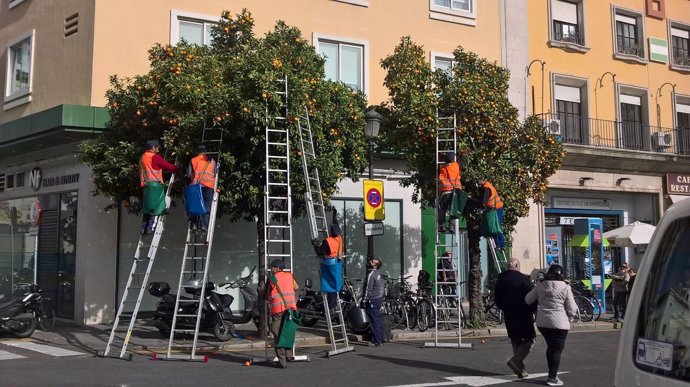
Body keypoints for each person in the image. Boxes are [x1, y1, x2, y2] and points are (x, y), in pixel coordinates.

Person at [525, 264, 577, 386]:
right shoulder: (565, 287)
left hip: (543, 322)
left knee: (551, 347)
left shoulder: (540, 285)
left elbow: (528, 299)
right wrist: (570, 318)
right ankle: (552, 377)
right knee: (556, 350)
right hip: (560, 323)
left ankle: (552, 374)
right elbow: (572, 308)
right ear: (561, 274)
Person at [495, 258, 537, 379]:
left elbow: (497, 300)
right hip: (523, 314)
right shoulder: (524, 279)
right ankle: (515, 361)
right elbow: (531, 297)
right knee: (531, 339)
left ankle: (521, 370)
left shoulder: (500, 280)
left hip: (509, 314)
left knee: (516, 340)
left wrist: (504, 307)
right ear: (517, 266)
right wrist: (532, 311)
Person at [139, 139, 178, 234]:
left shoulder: (142, 157)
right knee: (157, 208)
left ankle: (144, 228)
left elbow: (152, 168)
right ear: (153, 148)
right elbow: (167, 166)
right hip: (155, 185)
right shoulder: (154, 157)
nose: (158, 149)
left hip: (146, 185)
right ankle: (151, 228)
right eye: (157, 147)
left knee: (148, 208)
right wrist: (177, 168)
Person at [266, 259, 298, 369]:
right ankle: (289, 355)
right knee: (288, 332)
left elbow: (266, 294)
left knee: (277, 334)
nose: (271, 269)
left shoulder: (272, 278)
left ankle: (282, 362)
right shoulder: (290, 275)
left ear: (276, 268)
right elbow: (296, 288)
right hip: (291, 308)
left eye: (272, 267)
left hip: (278, 309)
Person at [313, 210, 343, 313]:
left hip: (329, 264)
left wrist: (315, 245)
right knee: (335, 284)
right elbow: (337, 226)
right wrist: (335, 216)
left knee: (328, 284)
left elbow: (320, 253)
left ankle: (331, 307)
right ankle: (333, 305)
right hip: (337, 263)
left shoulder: (327, 241)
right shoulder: (339, 238)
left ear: (330, 232)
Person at [186, 144, 217, 232]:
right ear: (205, 151)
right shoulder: (211, 160)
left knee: (194, 205)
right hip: (208, 186)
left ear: (197, 151)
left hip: (196, 186)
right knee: (207, 206)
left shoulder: (193, 160)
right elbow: (215, 173)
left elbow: (188, 174)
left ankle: (194, 225)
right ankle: (204, 225)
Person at [437, 152, 462, 233]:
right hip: (454, 192)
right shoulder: (456, 165)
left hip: (444, 192)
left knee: (442, 209)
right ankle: (452, 226)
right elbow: (463, 161)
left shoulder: (441, 167)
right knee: (453, 210)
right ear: (452, 159)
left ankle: (441, 226)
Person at [363, 257, 385, 346]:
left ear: (375, 266)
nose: (370, 261)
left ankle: (377, 341)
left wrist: (364, 300)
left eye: (372, 262)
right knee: (378, 319)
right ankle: (382, 337)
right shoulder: (377, 273)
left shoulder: (371, 274)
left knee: (374, 320)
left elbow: (368, 289)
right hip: (378, 298)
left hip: (373, 300)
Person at [481, 177, 506, 250]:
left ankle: (501, 244)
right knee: (494, 226)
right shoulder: (487, 185)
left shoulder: (487, 188)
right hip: (494, 208)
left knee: (495, 227)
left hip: (496, 208)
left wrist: (482, 207)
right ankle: (498, 245)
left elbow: (485, 201)